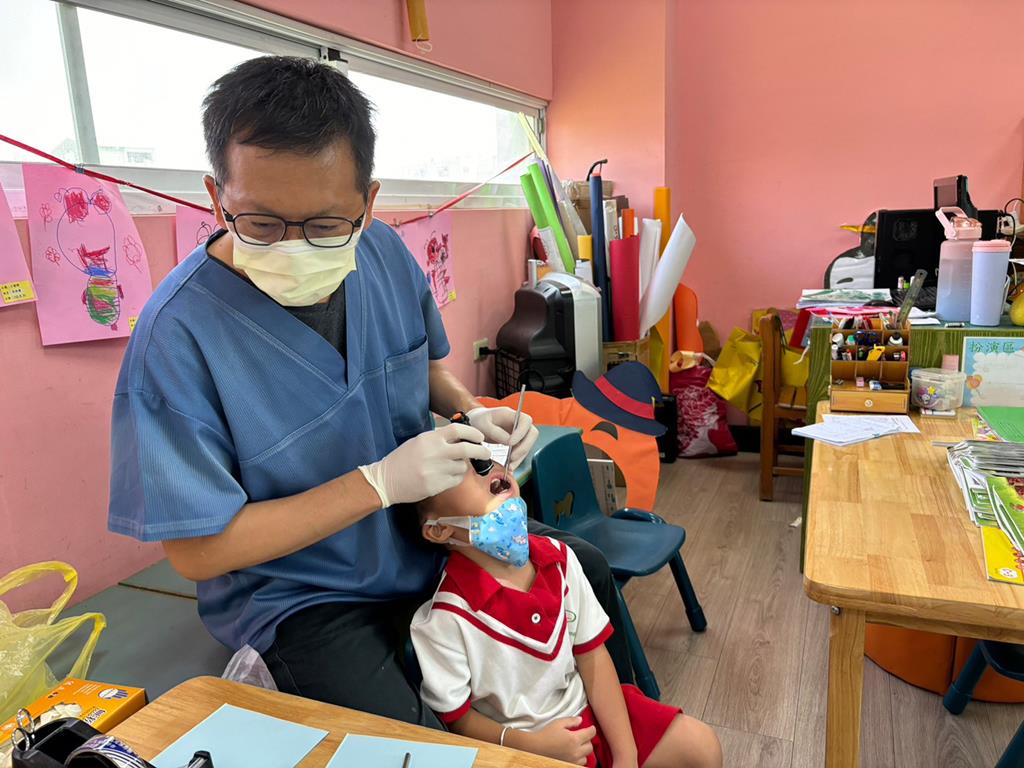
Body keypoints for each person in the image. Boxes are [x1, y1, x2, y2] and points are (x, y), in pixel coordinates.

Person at [107, 55, 631, 725]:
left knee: (584, 571)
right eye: (261, 224)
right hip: (305, 596)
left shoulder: (381, 253)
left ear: (369, 203)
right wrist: (377, 485)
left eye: (327, 225)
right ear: (217, 198)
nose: (294, 247)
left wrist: (472, 409)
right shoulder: (175, 340)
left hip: (426, 538)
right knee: (410, 740)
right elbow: (196, 551)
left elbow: (419, 369)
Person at [409, 461, 722, 768]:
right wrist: (533, 746)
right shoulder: (443, 619)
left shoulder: (560, 558)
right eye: (461, 467)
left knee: (701, 747)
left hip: (590, 712)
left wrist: (626, 755)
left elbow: (593, 656)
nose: (486, 465)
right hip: (521, 747)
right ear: (439, 530)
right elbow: (458, 720)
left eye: (484, 457)